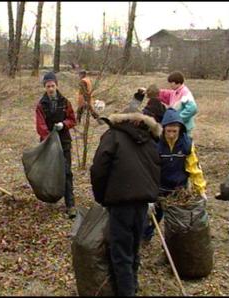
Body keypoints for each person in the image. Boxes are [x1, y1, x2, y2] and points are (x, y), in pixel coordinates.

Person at [90, 107, 162, 296]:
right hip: (142, 203)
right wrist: (151, 194)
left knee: (120, 252)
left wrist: (102, 197)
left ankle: (126, 291)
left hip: (120, 203)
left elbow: (98, 170)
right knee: (133, 247)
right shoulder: (148, 139)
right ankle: (132, 284)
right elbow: (156, 167)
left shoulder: (112, 136)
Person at [143, 108, 207, 242]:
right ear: (163, 129)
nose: (171, 135)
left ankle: (173, 246)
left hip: (178, 190)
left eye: (174, 131)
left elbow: (194, 168)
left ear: (180, 130)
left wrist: (200, 190)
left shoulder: (186, 144)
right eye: (168, 131)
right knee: (151, 218)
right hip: (159, 188)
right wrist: (148, 196)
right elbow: (148, 169)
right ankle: (145, 237)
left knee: (176, 223)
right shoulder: (156, 144)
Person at [36, 72, 77, 219]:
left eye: (53, 86)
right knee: (49, 172)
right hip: (48, 144)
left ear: (57, 85)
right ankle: (50, 198)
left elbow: (73, 119)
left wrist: (64, 124)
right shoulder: (41, 105)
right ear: (45, 87)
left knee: (67, 172)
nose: (51, 89)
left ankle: (70, 204)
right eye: (48, 86)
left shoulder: (65, 102)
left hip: (64, 142)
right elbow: (40, 125)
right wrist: (49, 138)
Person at [157, 71, 198, 137]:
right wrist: (151, 91)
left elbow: (192, 109)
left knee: (185, 145)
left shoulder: (185, 93)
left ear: (177, 82)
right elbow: (165, 94)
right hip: (178, 127)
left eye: (171, 83)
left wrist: (178, 119)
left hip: (184, 127)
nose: (170, 85)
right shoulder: (175, 91)